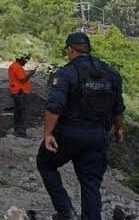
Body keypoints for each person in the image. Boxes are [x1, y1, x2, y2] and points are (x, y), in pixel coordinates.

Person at [37, 33, 125, 220]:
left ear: (70, 49)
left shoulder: (66, 73)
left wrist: (48, 134)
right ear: (88, 49)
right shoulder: (111, 73)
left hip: (70, 133)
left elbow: (54, 107)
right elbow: (119, 108)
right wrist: (119, 130)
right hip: (98, 135)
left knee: (45, 164)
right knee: (91, 182)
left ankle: (65, 211)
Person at [8, 53, 35, 137]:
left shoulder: (14, 66)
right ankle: (20, 132)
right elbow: (23, 80)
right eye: (25, 60)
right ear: (20, 60)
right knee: (22, 112)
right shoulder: (17, 67)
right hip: (20, 92)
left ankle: (17, 130)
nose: (25, 62)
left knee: (18, 111)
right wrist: (31, 73)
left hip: (16, 92)